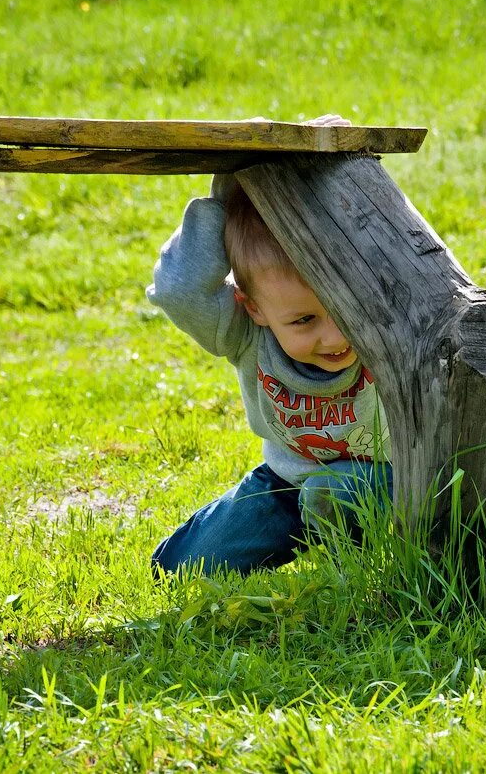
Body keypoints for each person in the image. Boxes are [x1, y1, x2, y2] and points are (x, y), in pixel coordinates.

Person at [147, 117, 392, 576]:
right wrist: (232, 188)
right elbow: (178, 290)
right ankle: (307, 531)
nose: (336, 337)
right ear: (254, 307)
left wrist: (350, 174)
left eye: (345, 311)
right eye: (304, 320)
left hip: (389, 481)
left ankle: (359, 576)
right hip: (287, 484)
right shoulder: (245, 333)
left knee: (333, 492)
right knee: (181, 568)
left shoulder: (386, 320)